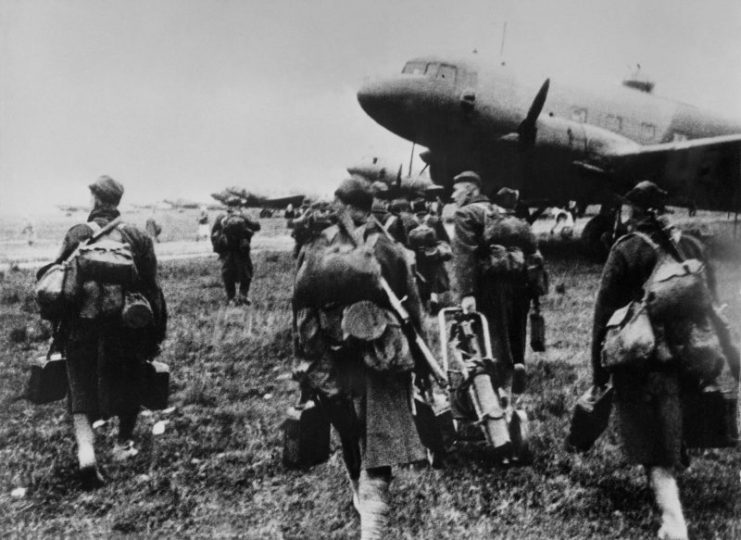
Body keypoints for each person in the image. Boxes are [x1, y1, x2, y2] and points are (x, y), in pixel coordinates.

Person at [589, 180, 733, 540]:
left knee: (652, 444)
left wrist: (598, 368)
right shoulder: (691, 244)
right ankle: (672, 457)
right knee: (675, 415)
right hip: (691, 355)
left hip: (643, 359)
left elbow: (604, 312)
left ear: (632, 212)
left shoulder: (627, 249)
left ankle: (673, 522)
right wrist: (728, 353)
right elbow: (713, 304)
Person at [293, 177, 426, 540]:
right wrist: (422, 363)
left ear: (343, 204)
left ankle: (359, 495)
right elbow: (413, 310)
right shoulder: (390, 248)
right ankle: (372, 523)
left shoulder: (319, 244)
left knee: (349, 432)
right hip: (381, 351)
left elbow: (300, 303)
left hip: (331, 352)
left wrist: (303, 360)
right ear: (369, 207)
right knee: (378, 441)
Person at [38, 175, 167, 489]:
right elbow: (152, 288)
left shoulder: (78, 233)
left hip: (82, 324)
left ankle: (87, 455)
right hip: (126, 326)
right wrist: (156, 333)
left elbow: (56, 282)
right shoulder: (136, 236)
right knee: (129, 379)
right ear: (117, 202)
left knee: (79, 386)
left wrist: (57, 327)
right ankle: (123, 443)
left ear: (95, 199)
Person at [452, 174, 543, 393]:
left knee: (491, 336)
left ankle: (497, 388)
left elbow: (465, 256)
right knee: (514, 331)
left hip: (490, 286)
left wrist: (467, 293)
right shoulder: (504, 214)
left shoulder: (466, 214)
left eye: (456, 190)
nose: (452, 195)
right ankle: (516, 368)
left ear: (470, 191)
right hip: (521, 282)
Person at [211, 197, 261, 306]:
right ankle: (243, 295)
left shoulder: (221, 217)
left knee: (228, 274)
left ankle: (232, 298)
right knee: (246, 273)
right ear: (239, 205)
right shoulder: (243, 216)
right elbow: (257, 226)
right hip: (242, 251)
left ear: (227, 206)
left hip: (227, 252)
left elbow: (214, 233)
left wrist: (218, 247)